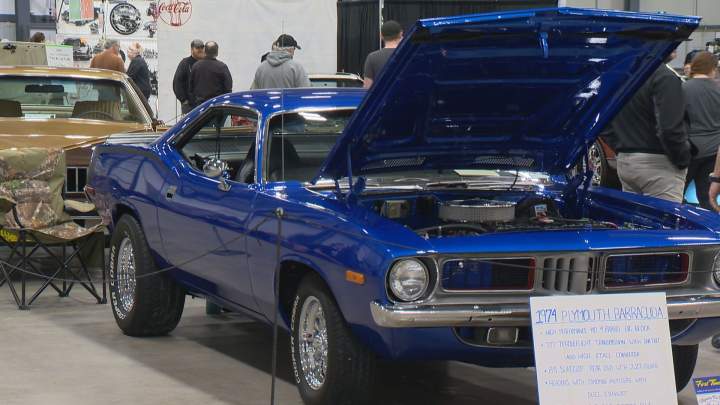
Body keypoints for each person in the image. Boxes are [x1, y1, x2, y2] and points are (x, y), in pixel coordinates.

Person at [610, 50, 693, 203]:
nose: (676, 47)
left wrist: (620, 147)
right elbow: (669, 128)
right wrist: (682, 159)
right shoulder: (665, 77)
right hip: (659, 164)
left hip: (625, 160)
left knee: (635, 216)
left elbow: (603, 120)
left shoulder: (622, 77)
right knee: (665, 217)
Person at [683, 52, 720, 210]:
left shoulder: (682, 88)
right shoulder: (718, 89)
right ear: (713, 68)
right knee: (708, 198)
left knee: (676, 194)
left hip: (688, 150)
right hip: (714, 153)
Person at [189, 41, 232, 107]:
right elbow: (228, 87)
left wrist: (194, 103)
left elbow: (191, 88)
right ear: (217, 52)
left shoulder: (196, 66)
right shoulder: (222, 67)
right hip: (217, 105)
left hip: (200, 106)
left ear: (205, 51)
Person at [363, 20, 403, 88]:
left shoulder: (372, 57)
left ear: (381, 35)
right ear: (401, 34)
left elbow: (367, 87)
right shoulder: (409, 56)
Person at [173, 39, 204, 114]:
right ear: (192, 49)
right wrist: (184, 100)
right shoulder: (185, 63)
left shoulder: (206, 63)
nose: (200, 50)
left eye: (202, 47)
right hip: (189, 106)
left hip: (204, 104)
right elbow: (177, 82)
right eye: (197, 48)